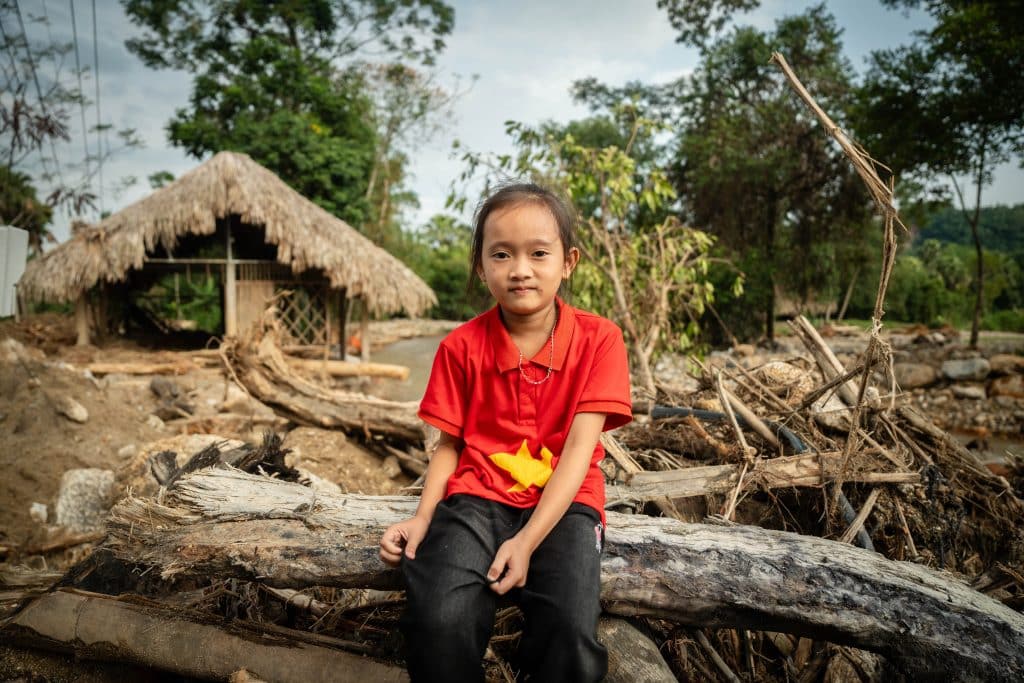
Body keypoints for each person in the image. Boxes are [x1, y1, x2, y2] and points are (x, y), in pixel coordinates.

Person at [379, 182, 632, 682]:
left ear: (568, 262)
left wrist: (527, 541)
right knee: (438, 619)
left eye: (539, 253)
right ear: (481, 266)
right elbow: (448, 448)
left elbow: (580, 452)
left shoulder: (600, 340)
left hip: (568, 502)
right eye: (501, 254)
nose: (520, 269)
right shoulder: (460, 347)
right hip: (476, 497)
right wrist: (423, 518)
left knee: (570, 630)